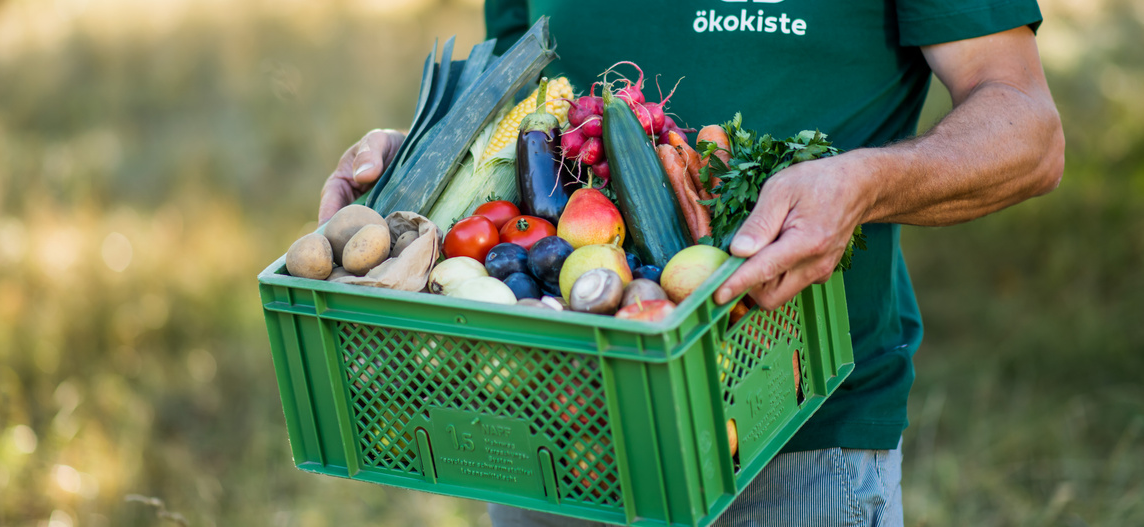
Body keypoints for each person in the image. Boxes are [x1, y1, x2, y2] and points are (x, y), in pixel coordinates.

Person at [319, 0, 1063, 524]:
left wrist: (863, 183)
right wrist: (426, 158)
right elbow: (526, 101)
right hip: (553, 426)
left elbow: (1026, 129)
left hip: (790, 438)